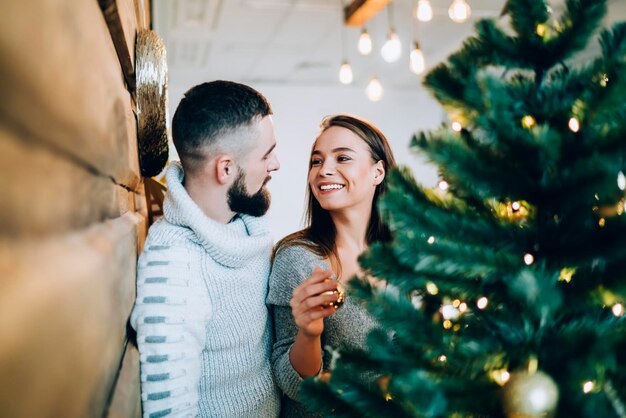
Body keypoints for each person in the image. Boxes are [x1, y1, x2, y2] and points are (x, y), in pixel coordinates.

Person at [130, 80, 281, 418]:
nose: (275, 165)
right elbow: (168, 409)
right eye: (267, 155)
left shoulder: (246, 227)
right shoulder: (173, 264)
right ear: (225, 168)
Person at [267, 114, 397, 417]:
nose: (324, 170)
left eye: (342, 158)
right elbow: (294, 385)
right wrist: (309, 333)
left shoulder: (402, 260)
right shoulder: (297, 258)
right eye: (316, 161)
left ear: (378, 172)